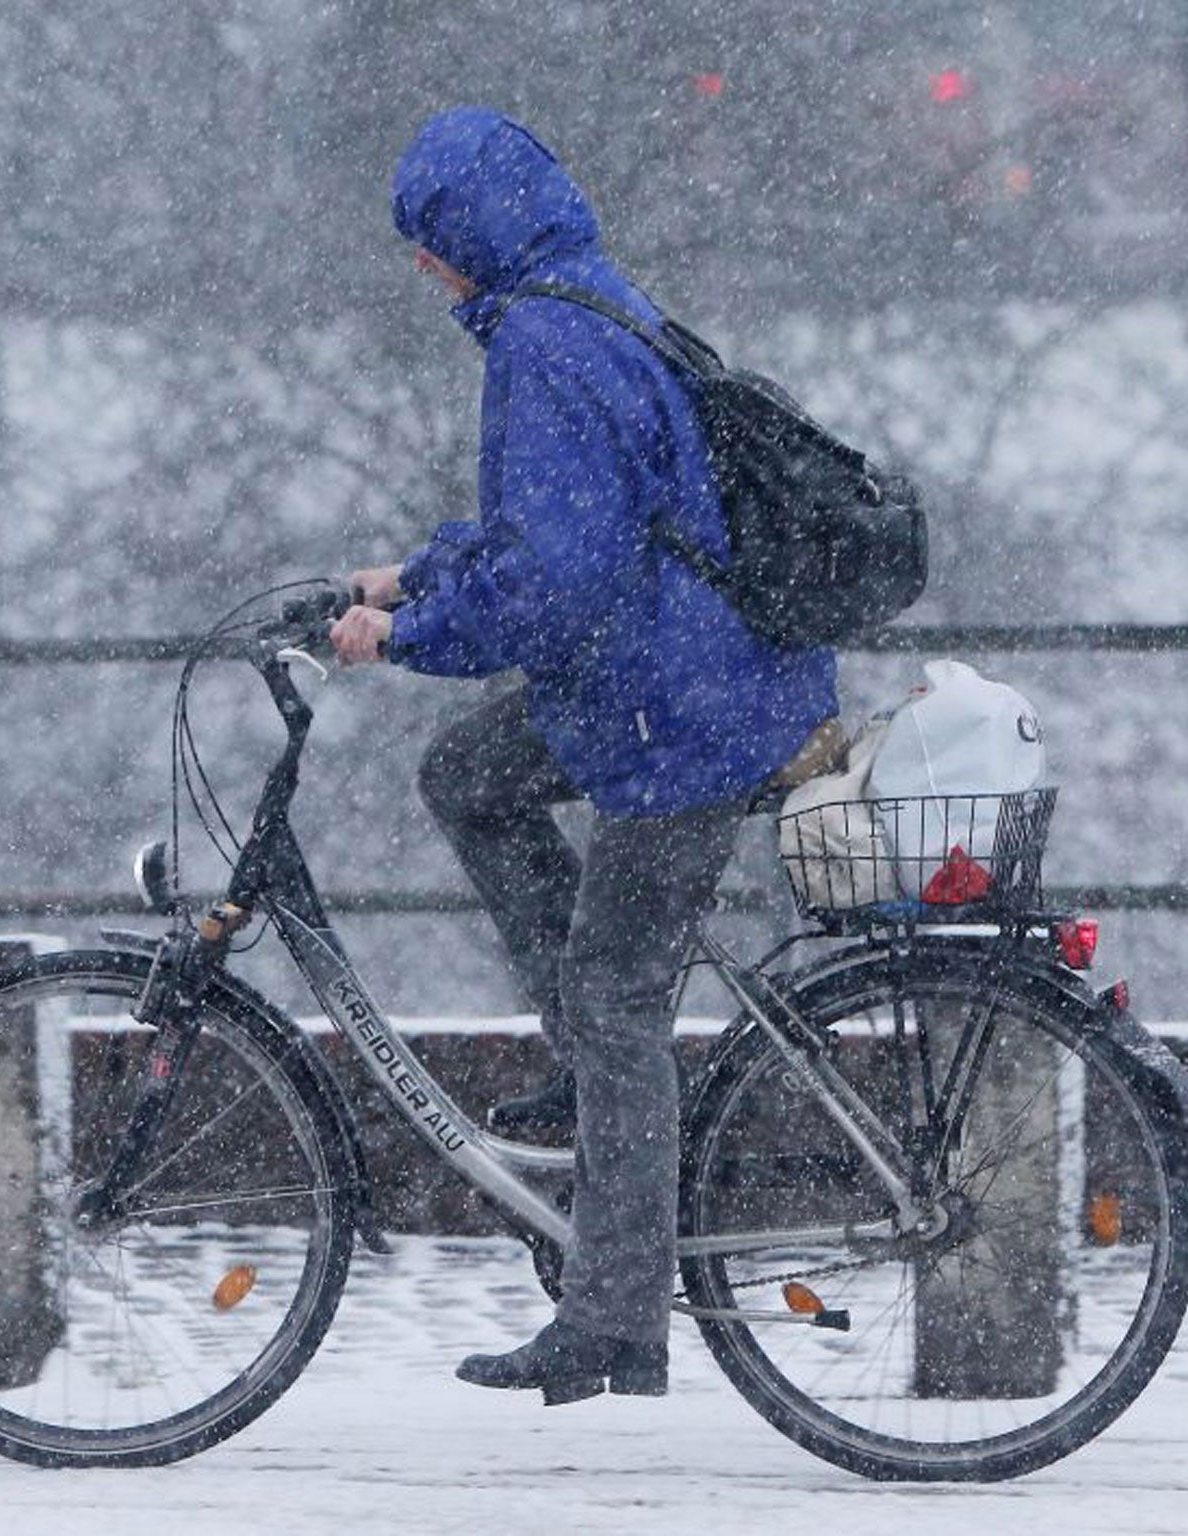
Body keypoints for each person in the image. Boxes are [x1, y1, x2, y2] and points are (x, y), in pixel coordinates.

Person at [329, 106, 838, 1402]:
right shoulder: (581, 303)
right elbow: (566, 533)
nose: (425, 271)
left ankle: (614, 1322)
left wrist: (400, 640)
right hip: (676, 676)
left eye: (426, 245)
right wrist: (417, 573)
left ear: (466, 231)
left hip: (682, 711)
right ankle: (588, 1072)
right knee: (467, 779)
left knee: (621, 1002)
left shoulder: (544, 348)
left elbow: (556, 590)